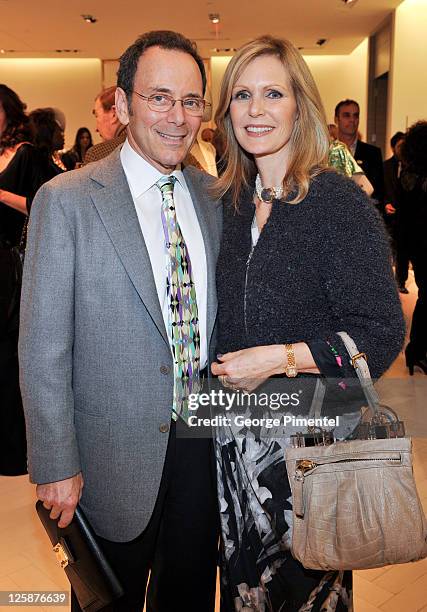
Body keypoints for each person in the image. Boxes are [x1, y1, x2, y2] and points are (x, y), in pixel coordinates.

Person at [19, 30, 222, 612]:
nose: (177, 117)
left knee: (187, 597)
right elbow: (42, 347)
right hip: (108, 460)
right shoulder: (68, 200)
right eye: (160, 97)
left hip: (200, 451)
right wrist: (56, 463)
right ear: (124, 104)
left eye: (191, 101)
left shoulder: (214, 197)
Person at [211, 36, 404, 611]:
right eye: (242, 95)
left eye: (274, 93)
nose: (256, 109)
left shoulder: (335, 202)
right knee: (242, 595)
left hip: (310, 457)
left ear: (301, 106)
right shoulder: (230, 201)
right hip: (232, 450)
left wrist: (280, 357)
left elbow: (381, 332)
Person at [398, 121, 427, 375]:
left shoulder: (407, 174)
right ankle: (417, 350)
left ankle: (416, 351)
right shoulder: (421, 178)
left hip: (417, 245)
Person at [335, 99, 384, 205]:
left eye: (356, 116)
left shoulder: (373, 153)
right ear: (336, 119)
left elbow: (379, 192)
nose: (352, 120)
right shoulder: (326, 152)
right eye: (347, 115)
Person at [383, 131, 409, 292]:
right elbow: (381, 188)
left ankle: (401, 281)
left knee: (403, 250)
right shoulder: (385, 166)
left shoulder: (412, 168)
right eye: (399, 146)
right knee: (387, 248)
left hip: (405, 217)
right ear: (393, 148)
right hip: (388, 216)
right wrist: (386, 204)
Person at [83, 86, 127, 164]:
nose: (96, 129)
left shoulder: (97, 155)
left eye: (97, 115)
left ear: (114, 114)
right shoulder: (149, 145)